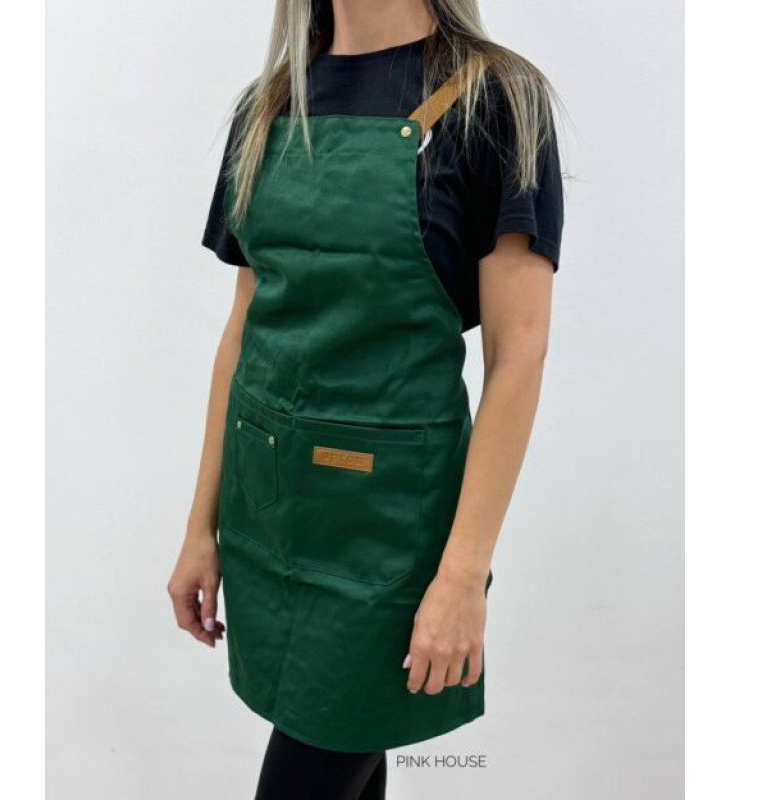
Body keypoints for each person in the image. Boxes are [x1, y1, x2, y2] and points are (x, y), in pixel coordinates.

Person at [168, 0, 564, 797]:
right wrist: (200, 526)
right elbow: (243, 328)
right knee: (344, 753)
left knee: (318, 757)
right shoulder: (270, 105)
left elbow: (517, 356)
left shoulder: (495, 100)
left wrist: (462, 576)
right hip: (268, 513)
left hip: (388, 535)